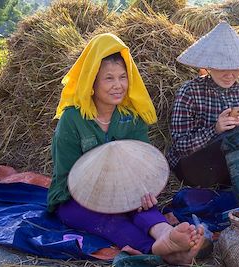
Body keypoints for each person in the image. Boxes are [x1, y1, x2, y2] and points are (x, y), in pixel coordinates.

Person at [47, 33, 204, 265]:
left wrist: (142, 192)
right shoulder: (73, 119)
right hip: (75, 197)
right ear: (92, 81)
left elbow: (142, 166)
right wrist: (108, 197)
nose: (118, 85)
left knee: (141, 207)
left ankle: (164, 234)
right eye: (109, 78)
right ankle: (155, 249)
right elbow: (67, 173)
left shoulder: (131, 118)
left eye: (123, 77)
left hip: (125, 192)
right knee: (110, 219)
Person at [167, 21, 239, 206]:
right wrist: (216, 130)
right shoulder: (189, 91)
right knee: (235, 135)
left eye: (234, 67)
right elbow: (180, 146)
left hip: (233, 164)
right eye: (222, 67)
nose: (229, 74)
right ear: (209, 66)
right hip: (195, 167)